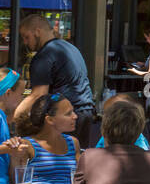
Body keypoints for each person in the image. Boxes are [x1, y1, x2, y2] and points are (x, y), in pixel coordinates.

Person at [17, 14, 96, 148]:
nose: (25, 42)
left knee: (61, 157)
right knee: (77, 158)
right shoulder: (71, 48)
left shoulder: (44, 56)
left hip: (66, 114)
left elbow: (38, 94)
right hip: (86, 112)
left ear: (37, 31)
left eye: (26, 37)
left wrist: (16, 116)